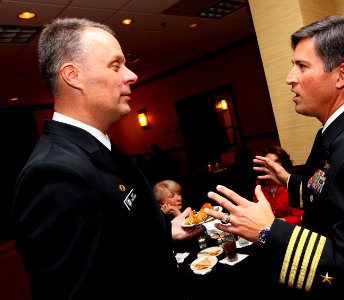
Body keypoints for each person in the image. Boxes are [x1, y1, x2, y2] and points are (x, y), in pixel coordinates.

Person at [204, 15, 344, 299]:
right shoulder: (339, 131)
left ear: (342, 75)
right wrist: (290, 181)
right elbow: (336, 199)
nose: (289, 78)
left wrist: (268, 230)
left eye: (302, 66)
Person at [11, 18, 204, 300]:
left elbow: (117, 241)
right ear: (72, 75)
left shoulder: (98, 145)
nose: (131, 75)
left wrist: (165, 233)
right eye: (116, 65)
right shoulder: (53, 172)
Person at [252, 146, 303, 225]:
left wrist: (277, 222)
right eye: (269, 161)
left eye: (277, 161)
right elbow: (257, 211)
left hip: (291, 230)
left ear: (283, 164)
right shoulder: (259, 184)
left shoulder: (291, 183)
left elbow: (300, 217)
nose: (272, 165)